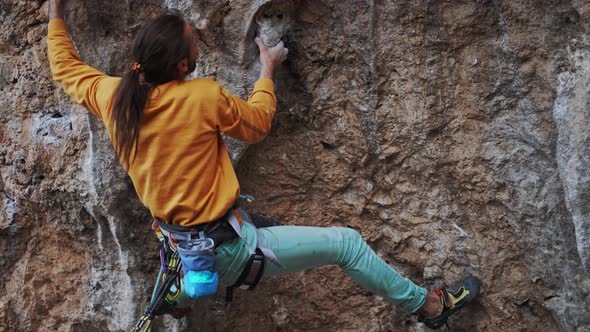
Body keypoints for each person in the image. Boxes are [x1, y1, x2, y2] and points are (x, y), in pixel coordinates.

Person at [47, 0, 480, 329]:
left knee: (254, 219)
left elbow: (65, 66)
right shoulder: (199, 97)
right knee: (346, 243)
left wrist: (56, 12)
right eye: (194, 45)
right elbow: (256, 125)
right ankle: (429, 306)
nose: (198, 48)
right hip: (226, 250)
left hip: (178, 239)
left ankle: (181, 285)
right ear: (182, 65)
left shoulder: (112, 97)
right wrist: (267, 71)